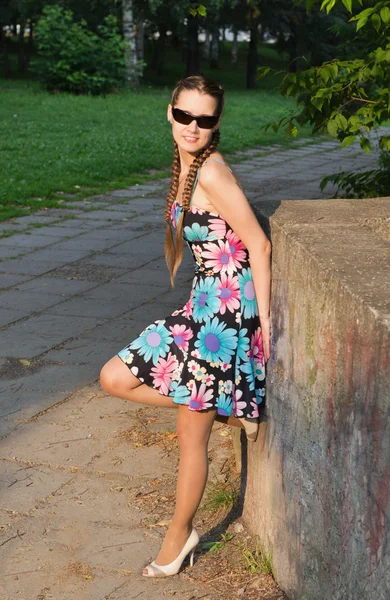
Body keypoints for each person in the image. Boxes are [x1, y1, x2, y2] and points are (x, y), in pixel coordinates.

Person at [99, 75, 271, 578]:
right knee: (114, 377)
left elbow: (258, 246)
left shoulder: (212, 172)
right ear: (170, 113)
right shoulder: (185, 167)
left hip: (227, 316)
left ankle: (178, 539)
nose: (192, 127)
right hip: (203, 304)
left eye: (205, 119)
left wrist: (266, 324)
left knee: (187, 435)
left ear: (216, 124)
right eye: (185, 116)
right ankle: (224, 405)